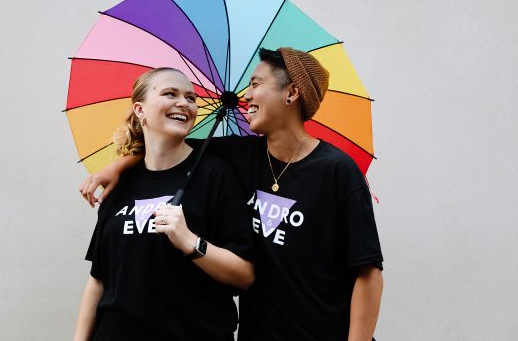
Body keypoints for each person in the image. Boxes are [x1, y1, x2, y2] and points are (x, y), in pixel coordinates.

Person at [79, 49, 384, 341]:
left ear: (291, 93)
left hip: (322, 331)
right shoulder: (241, 156)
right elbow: (168, 143)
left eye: (255, 84)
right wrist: (118, 165)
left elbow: (368, 272)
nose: (245, 96)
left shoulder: (336, 170)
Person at [73, 68, 254, 341]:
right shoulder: (120, 182)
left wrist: (191, 243)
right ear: (140, 110)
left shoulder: (216, 175)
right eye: (170, 94)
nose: (184, 103)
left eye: (191, 98)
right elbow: (98, 279)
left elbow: (244, 275)